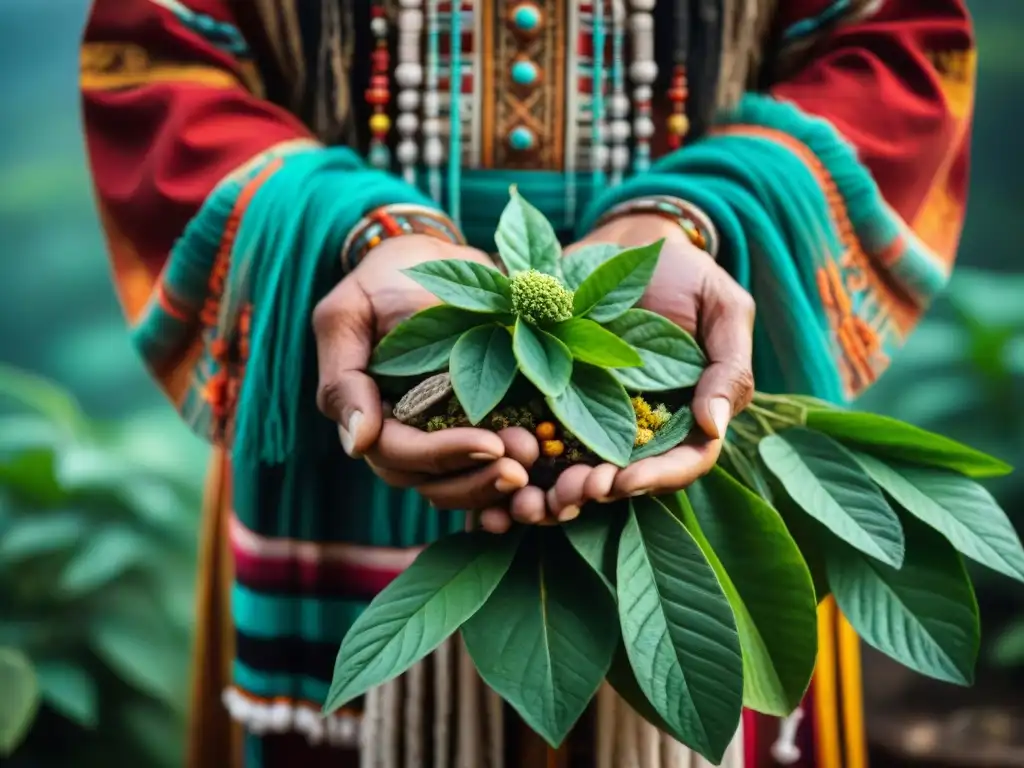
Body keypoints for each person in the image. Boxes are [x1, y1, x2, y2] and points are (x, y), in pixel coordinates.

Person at [80, 1, 975, 766]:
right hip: (344, 386)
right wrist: (370, 234)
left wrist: (686, 220)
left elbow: (899, 53)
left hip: (686, 390)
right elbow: (153, 66)